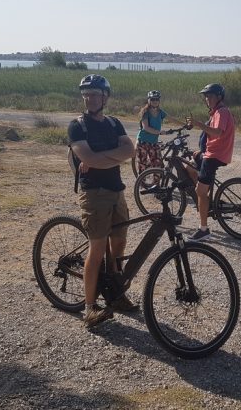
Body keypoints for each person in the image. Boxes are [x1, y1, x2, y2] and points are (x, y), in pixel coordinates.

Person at [68, 74, 138, 329]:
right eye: (86, 94)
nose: (89, 99)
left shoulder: (113, 123)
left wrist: (100, 158)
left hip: (116, 190)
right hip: (94, 193)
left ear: (105, 97)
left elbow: (130, 151)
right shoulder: (77, 126)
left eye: (95, 94)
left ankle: (115, 296)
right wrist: (112, 157)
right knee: (97, 250)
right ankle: (89, 308)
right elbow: (90, 158)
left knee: (119, 244)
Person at [184, 83, 235, 242]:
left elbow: (218, 133)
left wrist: (198, 123)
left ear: (219, 97)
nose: (207, 99)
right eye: (206, 97)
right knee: (189, 167)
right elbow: (212, 136)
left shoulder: (221, 112)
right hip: (211, 152)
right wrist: (203, 150)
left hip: (215, 156)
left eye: (210, 96)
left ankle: (203, 229)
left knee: (200, 191)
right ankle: (206, 198)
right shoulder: (216, 112)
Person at [135, 90, 168, 175]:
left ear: (159, 101)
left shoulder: (160, 112)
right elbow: (146, 128)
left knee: (158, 165)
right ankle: (142, 186)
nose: (155, 101)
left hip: (153, 142)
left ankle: (156, 186)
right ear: (149, 100)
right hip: (143, 142)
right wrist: (159, 132)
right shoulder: (145, 112)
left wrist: (186, 124)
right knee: (143, 166)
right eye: (152, 99)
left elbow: (172, 119)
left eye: (157, 99)